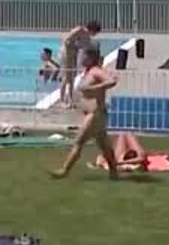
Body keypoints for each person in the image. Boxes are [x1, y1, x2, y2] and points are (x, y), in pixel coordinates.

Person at [52, 45, 122, 180]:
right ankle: (114, 173)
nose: (81, 59)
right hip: (96, 114)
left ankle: (64, 171)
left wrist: (94, 87)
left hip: (95, 114)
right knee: (104, 145)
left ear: (90, 58)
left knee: (79, 142)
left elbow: (111, 81)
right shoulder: (88, 72)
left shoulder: (96, 71)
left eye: (83, 56)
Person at [59, 20, 102, 106]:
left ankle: (70, 99)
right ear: (92, 29)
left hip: (73, 53)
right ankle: (62, 100)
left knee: (72, 77)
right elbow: (66, 40)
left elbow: (84, 49)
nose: (95, 34)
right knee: (66, 76)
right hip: (66, 53)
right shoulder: (79, 30)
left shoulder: (87, 38)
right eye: (95, 32)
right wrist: (71, 51)